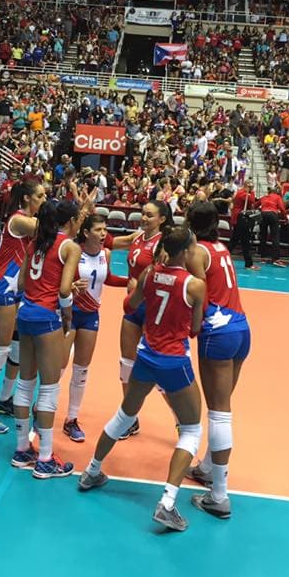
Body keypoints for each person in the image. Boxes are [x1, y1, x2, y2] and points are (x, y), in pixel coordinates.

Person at [78, 226, 205, 532]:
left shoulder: (149, 272)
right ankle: (167, 504)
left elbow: (130, 306)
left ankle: (92, 471)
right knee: (191, 428)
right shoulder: (194, 285)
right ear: (185, 252)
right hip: (174, 360)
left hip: (146, 354)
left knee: (125, 414)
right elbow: (195, 329)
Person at [185, 202, 251, 519]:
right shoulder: (221, 248)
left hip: (217, 331)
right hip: (241, 328)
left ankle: (219, 496)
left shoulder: (197, 251)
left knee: (219, 412)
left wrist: (192, 328)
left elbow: (197, 294)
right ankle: (208, 468)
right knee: (220, 406)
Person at [11, 200, 83, 478]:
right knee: (49, 387)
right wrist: (67, 316)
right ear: (72, 220)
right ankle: (44, 459)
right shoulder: (70, 247)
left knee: (25, 382)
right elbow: (65, 290)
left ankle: (21, 450)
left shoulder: (34, 244)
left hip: (26, 313)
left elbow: (20, 284)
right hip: (46, 317)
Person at [0, 180, 46, 432]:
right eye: (40, 196)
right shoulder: (18, 220)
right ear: (26, 199)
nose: (43, 200)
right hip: (2, 289)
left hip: (17, 292)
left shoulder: (28, 219)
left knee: (16, 349)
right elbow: (48, 229)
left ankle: (4, 399)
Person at [61, 213, 128, 442]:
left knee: (81, 369)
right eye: (99, 230)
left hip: (90, 315)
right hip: (69, 313)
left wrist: (131, 281)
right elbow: (58, 282)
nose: (104, 234)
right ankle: (42, 408)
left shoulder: (105, 254)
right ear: (86, 232)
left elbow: (107, 278)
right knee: (58, 366)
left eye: (105, 229)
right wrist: (70, 286)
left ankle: (71, 419)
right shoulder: (72, 250)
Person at [118, 200, 173, 438]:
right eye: (143, 213)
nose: (143, 217)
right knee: (126, 363)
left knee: (160, 368)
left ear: (161, 219)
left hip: (153, 310)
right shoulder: (138, 237)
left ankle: (182, 417)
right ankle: (129, 418)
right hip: (132, 308)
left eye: (149, 215)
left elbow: (166, 276)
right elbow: (107, 242)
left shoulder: (164, 244)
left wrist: (139, 286)